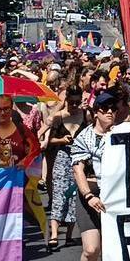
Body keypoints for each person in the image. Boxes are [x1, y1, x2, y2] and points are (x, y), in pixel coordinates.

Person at [70, 92, 117, 261]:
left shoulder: (120, 134)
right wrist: (89, 195)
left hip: (114, 195)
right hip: (90, 194)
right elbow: (78, 170)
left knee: (108, 250)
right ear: (95, 112)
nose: (110, 112)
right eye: (105, 108)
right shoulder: (83, 137)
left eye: (113, 108)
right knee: (91, 249)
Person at [45, 84, 84, 251]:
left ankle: (69, 236)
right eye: (71, 102)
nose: (74, 106)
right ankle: (54, 234)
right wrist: (62, 140)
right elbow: (50, 141)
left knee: (74, 196)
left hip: (79, 159)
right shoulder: (59, 117)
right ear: (66, 100)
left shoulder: (85, 115)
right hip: (62, 157)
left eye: (77, 102)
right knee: (59, 194)